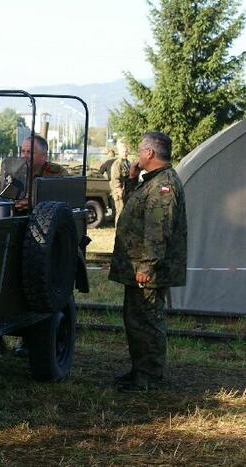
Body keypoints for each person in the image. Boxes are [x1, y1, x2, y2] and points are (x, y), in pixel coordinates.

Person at [109, 131, 187, 392]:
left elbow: (158, 230)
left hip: (149, 270)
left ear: (150, 153)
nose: (137, 155)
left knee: (148, 322)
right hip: (138, 266)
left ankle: (149, 377)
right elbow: (133, 208)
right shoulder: (151, 181)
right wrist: (132, 180)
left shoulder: (164, 184)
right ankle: (139, 371)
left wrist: (147, 266)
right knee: (136, 320)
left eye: (141, 150)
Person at [14, 135, 68, 209]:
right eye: (23, 151)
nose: (24, 156)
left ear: (44, 156)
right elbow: (0, 193)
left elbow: (67, 197)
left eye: (30, 152)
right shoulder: (14, 171)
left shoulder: (57, 173)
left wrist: (35, 201)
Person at [109, 141, 131, 224]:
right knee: (120, 212)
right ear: (119, 152)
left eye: (126, 151)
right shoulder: (117, 164)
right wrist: (119, 191)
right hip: (120, 193)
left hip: (127, 191)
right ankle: (118, 229)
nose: (125, 153)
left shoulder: (127, 163)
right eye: (123, 152)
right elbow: (115, 179)